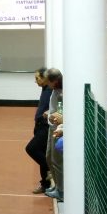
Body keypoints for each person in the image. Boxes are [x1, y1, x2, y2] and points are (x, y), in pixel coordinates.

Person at [24, 68, 53, 194]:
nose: (35, 81)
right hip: (40, 124)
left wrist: (50, 113)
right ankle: (45, 184)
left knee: (31, 148)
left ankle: (52, 170)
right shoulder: (45, 89)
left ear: (45, 78)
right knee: (41, 151)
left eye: (37, 78)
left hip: (46, 126)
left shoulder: (52, 90)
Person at [44, 68, 64, 202]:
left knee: (57, 160)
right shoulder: (55, 90)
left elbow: (61, 114)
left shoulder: (63, 93)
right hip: (52, 128)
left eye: (48, 81)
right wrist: (50, 114)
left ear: (55, 80)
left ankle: (61, 190)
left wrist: (52, 117)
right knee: (49, 157)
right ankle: (57, 185)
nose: (47, 84)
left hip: (59, 130)